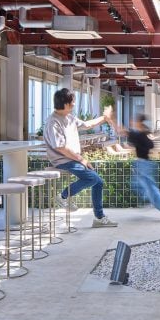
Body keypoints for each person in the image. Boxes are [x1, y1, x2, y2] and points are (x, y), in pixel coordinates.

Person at [43, 88, 117, 228]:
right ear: (65, 104)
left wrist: (104, 118)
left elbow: (87, 124)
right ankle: (63, 196)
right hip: (62, 160)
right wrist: (81, 159)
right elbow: (60, 148)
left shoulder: (69, 118)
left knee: (98, 182)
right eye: (73, 102)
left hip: (73, 158)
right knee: (92, 178)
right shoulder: (53, 123)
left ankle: (99, 218)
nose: (74, 104)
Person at [107, 112, 160, 221]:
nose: (132, 122)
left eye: (134, 121)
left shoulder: (138, 135)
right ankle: (155, 202)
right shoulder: (144, 134)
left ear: (139, 123)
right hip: (146, 163)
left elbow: (120, 131)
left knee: (150, 188)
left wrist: (111, 119)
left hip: (143, 164)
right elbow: (151, 146)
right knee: (139, 185)